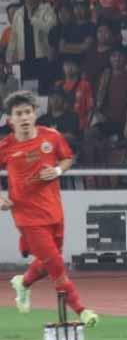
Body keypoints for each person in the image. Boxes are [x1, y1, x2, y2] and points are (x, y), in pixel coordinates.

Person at [1, 93, 99, 327]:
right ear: (10, 120)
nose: (24, 118)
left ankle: (23, 283)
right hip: (26, 215)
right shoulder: (6, 146)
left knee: (48, 263)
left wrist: (57, 171)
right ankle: (81, 310)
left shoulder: (51, 137)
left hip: (54, 210)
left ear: (35, 114)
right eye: (18, 114)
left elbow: (67, 158)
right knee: (56, 265)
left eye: (27, 112)